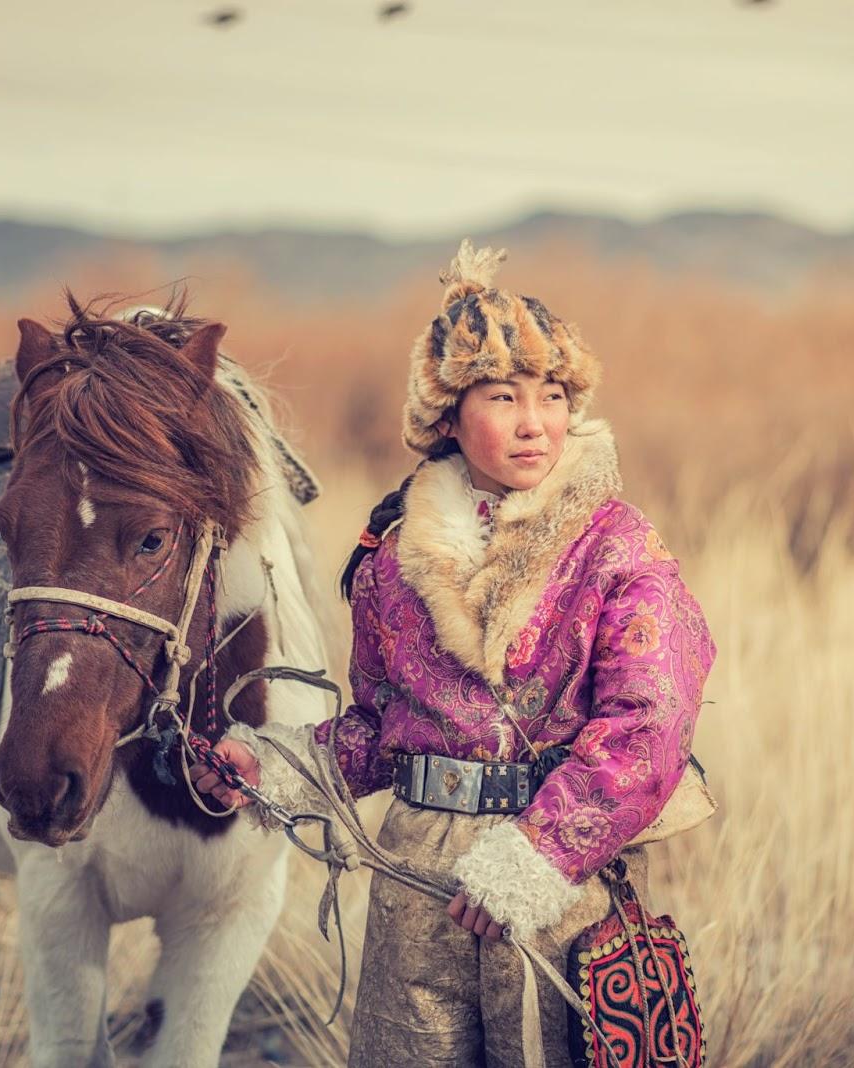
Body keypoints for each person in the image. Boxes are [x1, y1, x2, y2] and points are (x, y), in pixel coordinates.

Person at [190, 240, 716, 1066]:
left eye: (552, 395)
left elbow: (651, 724)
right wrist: (273, 768)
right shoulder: (392, 563)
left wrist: (536, 858)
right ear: (445, 415)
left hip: (560, 882)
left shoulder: (618, 548)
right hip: (412, 875)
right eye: (503, 395)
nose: (534, 421)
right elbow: (376, 729)